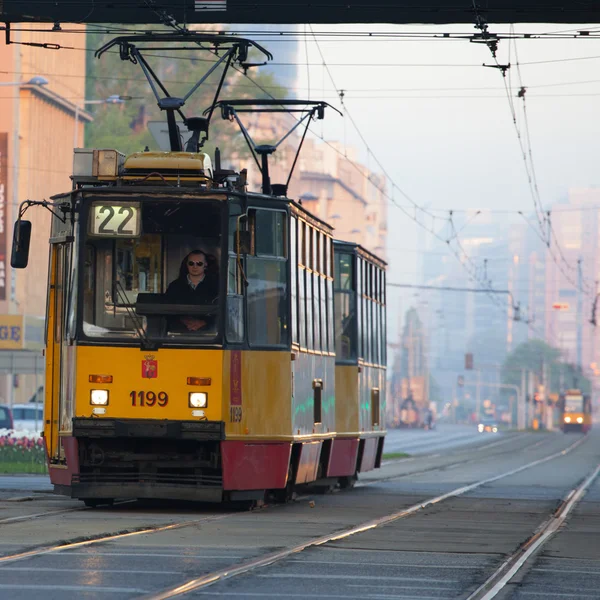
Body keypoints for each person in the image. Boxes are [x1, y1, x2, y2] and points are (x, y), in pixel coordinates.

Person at [166, 250, 218, 332]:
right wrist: (184, 320)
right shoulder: (174, 286)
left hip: (210, 336)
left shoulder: (217, 286)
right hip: (178, 335)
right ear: (187, 265)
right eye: (191, 263)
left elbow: (222, 312)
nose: (195, 266)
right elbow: (167, 309)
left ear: (205, 265)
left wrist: (203, 322)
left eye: (199, 263)